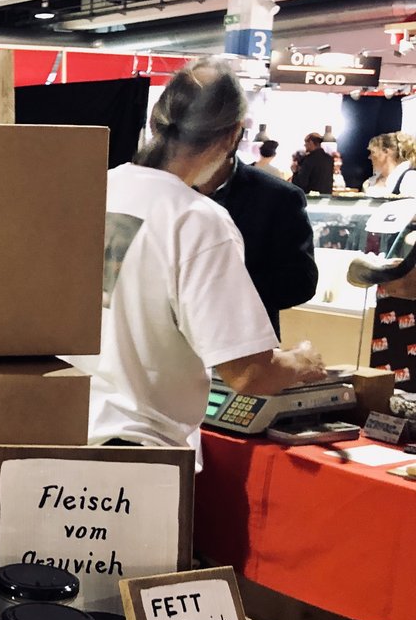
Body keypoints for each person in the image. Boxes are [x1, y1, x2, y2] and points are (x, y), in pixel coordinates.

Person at [66, 58, 326, 464]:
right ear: (233, 134)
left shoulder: (96, 187)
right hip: (138, 449)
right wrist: (300, 362)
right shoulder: (197, 218)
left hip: (62, 425)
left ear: (156, 120)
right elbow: (249, 373)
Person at [197, 150, 318, 337]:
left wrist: (222, 290)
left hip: (243, 340)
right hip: (165, 342)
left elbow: (301, 282)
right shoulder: (165, 188)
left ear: (231, 137)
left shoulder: (277, 195)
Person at [361, 132, 416, 196]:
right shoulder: (371, 182)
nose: (370, 157)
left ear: (386, 151)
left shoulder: (410, 178)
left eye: (373, 152)